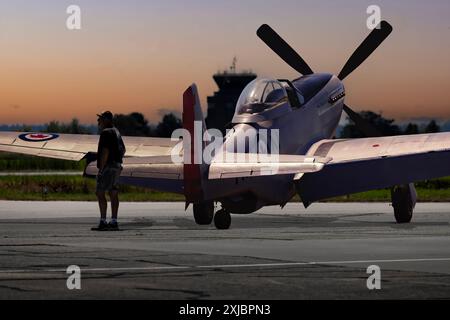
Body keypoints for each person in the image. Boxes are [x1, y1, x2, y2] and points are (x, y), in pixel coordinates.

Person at [91, 111, 126, 231]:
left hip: (108, 167)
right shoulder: (116, 132)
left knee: (100, 192)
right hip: (117, 166)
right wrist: (117, 160)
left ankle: (103, 221)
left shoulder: (105, 133)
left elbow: (105, 151)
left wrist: (101, 169)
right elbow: (123, 149)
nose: (98, 121)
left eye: (100, 119)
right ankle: (114, 220)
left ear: (106, 120)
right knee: (113, 193)